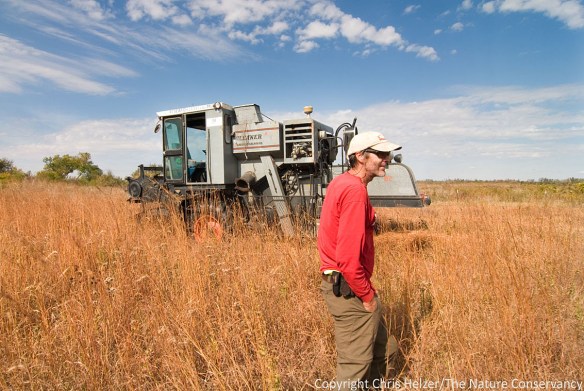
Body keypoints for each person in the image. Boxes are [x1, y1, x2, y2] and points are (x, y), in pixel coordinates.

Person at [318, 131, 401, 390]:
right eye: (380, 154)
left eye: (387, 154)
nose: (386, 159)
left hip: (348, 284)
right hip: (350, 289)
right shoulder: (354, 192)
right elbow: (347, 259)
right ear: (360, 157)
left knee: (387, 351)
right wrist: (366, 296)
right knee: (355, 366)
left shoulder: (343, 182)